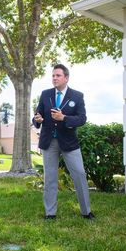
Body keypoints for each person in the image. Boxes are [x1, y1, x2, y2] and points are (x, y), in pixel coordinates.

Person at [32, 64, 95, 220]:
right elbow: (37, 115)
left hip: (69, 142)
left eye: (58, 75)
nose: (54, 78)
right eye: (53, 75)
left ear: (66, 78)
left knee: (79, 174)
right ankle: (50, 213)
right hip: (49, 142)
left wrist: (64, 118)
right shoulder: (45, 94)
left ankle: (86, 211)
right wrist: (37, 119)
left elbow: (82, 119)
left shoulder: (77, 96)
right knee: (50, 177)